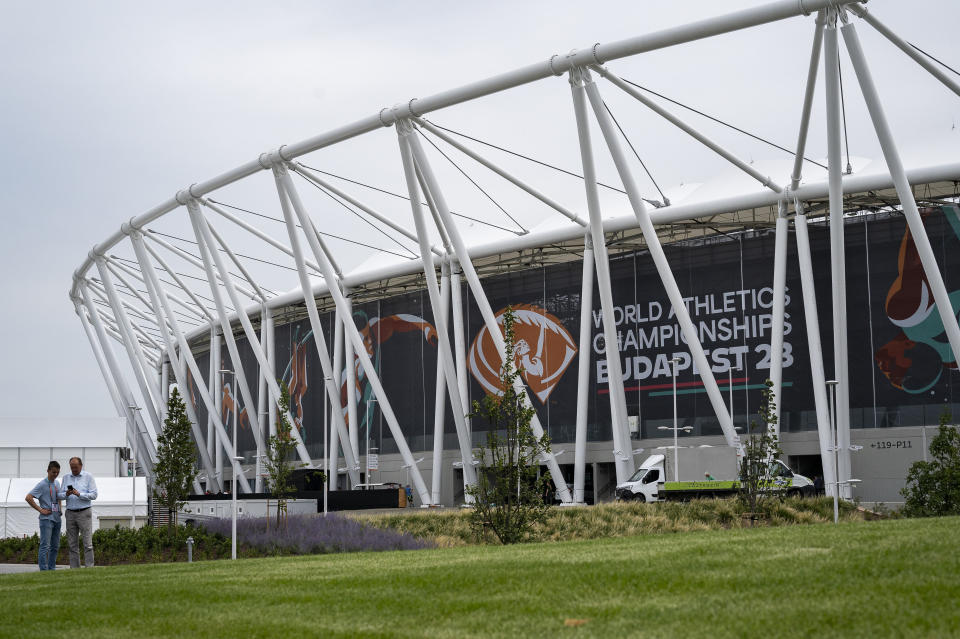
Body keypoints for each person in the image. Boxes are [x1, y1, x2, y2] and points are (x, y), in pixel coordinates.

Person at [59, 457, 98, 568]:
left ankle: (89, 568)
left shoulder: (88, 477)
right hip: (70, 513)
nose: (74, 469)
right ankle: (75, 569)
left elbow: (94, 495)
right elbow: (59, 495)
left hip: (84, 512)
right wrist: (66, 493)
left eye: (75, 467)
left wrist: (79, 494)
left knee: (87, 543)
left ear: (81, 466)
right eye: (72, 467)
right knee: (72, 544)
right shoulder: (66, 477)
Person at [25, 461, 63, 571]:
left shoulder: (57, 483)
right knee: (45, 546)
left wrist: (60, 509)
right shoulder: (42, 484)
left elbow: (58, 497)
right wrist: (40, 510)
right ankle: (43, 569)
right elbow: (28, 497)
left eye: (57, 472)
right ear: (48, 471)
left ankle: (52, 568)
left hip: (56, 518)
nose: (55, 474)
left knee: (55, 546)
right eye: (53, 472)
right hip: (46, 519)